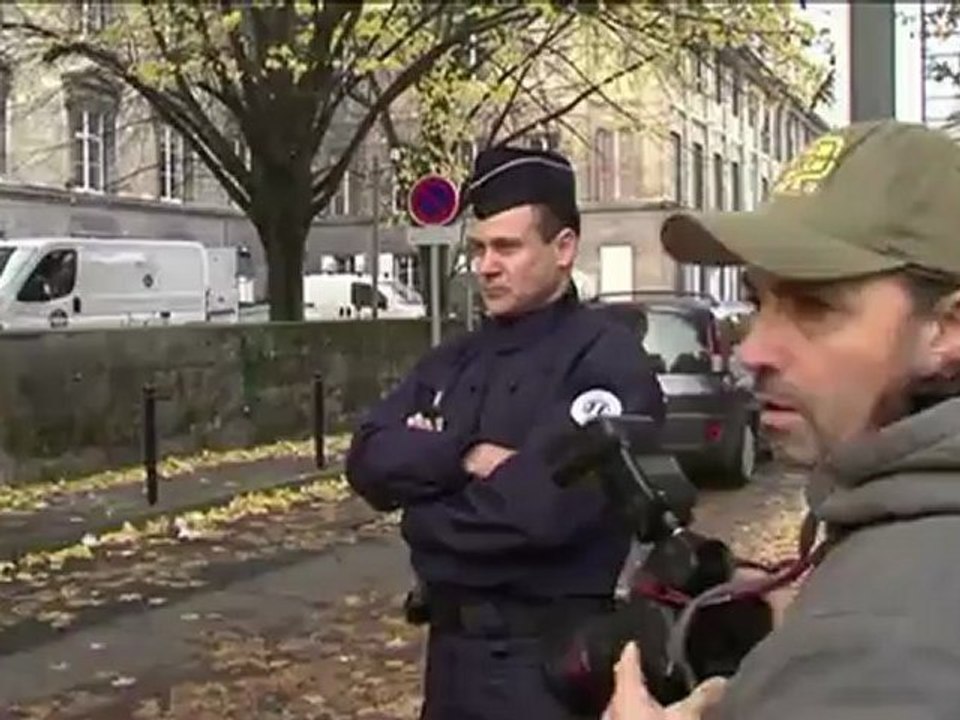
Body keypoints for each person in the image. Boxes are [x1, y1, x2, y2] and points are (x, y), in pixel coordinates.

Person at [606, 119, 960, 719]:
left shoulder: (880, 647)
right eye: (758, 301)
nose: (752, 351)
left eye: (815, 306)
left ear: (946, 331)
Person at [345, 145, 665, 720]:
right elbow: (368, 457)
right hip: (449, 665)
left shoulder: (607, 361)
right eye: (477, 248)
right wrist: (466, 454)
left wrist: (421, 508)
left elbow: (542, 512)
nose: (486, 266)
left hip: (546, 669)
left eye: (507, 247)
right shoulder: (456, 359)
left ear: (563, 248)